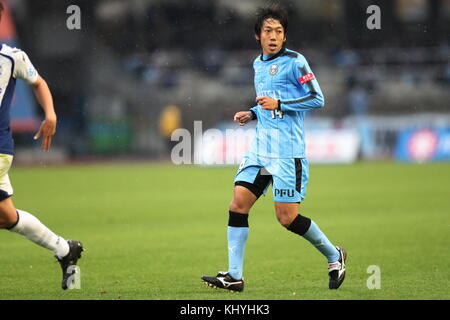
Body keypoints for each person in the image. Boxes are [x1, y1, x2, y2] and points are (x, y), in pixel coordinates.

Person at [201, 5, 347, 292]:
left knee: (287, 218)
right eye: (268, 30)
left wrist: (279, 104)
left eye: (279, 31)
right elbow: (269, 101)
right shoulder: (258, 64)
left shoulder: (296, 62)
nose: (273, 36)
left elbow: (317, 99)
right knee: (237, 204)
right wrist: (254, 113)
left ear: (284, 36)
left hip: (287, 152)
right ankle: (234, 275)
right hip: (260, 150)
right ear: (258, 36)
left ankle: (334, 255)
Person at [0, 2, 83, 290]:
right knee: (6, 216)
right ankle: (64, 249)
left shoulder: (11, 58)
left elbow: (38, 82)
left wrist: (50, 114)